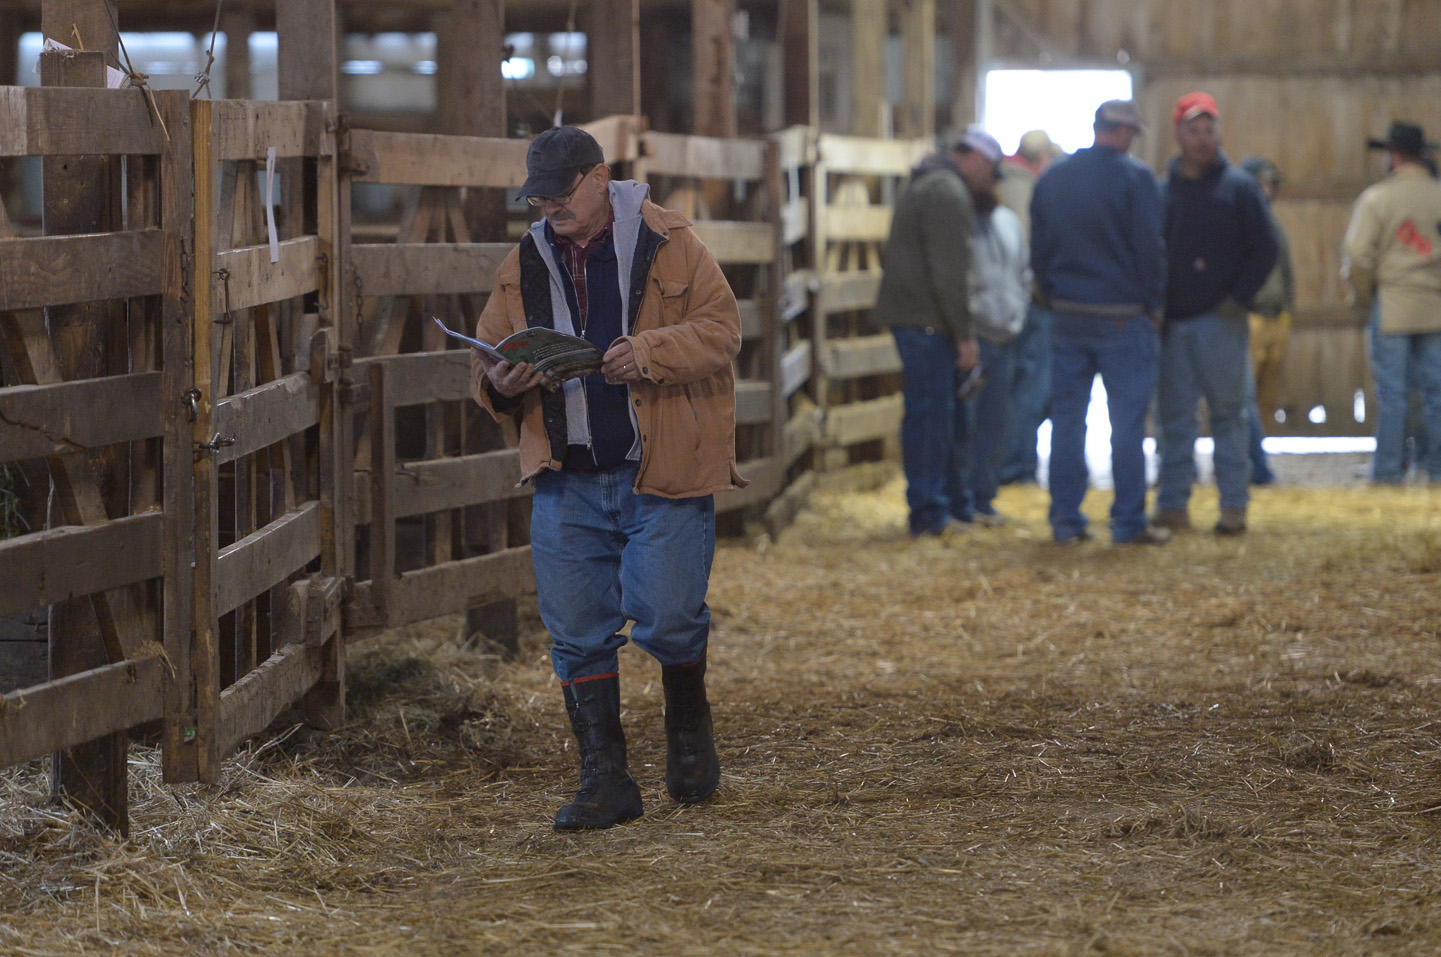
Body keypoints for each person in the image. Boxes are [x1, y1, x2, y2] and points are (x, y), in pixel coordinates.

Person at [469, 126, 744, 830]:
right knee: (576, 630)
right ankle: (605, 777)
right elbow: (486, 361)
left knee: (671, 612)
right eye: (539, 198)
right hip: (567, 473)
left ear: (599, 178)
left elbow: (721, 329)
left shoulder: (671, 242)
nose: (548, 209)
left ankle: (688, 725)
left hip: (660, 467)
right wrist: (501, 380)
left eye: (561, 195)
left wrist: (649, 350)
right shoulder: (523, 260)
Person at [1029, 99, 1169, 546]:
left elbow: (1039, 248)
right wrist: (1153, 304)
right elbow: (1150, 249)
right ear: (1126, 133)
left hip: (1069, 313)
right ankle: (1127, 523)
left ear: (1096, 128)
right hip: (1123, 318)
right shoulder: (1137, 179)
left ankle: (1065, 520)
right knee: (1127, 423)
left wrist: (1053, 295)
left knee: (1067, 421)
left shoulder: (1054, 177)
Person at [1153, 92, 1278, 536]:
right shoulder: (1163, 191)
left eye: (1210, 130)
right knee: (1174, 420)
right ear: (1178, 134)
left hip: (1220, 320)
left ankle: (1233, 507)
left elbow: (1266, 247)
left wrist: (1238, 297)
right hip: (1174, 322)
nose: (1203, 140)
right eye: (1193, 131)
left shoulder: (1239, 188)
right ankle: (1172, 506)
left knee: (1228, 415)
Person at [871, 132, 981, 536]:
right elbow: (949, 271)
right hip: (928, 322)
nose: (989, 177)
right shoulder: (947, 191)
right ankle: (929, 512)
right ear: (974, 158)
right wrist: (965, 333)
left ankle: (943, 505)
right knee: (931, 416)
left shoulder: (927, 182)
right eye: (988, 168)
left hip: (920, 319)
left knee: (932, 413)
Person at [1342, 121, 1441, 484]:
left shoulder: (1377, 199)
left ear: (1393, 155)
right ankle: (1435, 469)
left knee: (1394, 394)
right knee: (1437, 393)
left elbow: (1357, 256)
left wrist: (1364, 293)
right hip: (1435, 306)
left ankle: (1387, 472)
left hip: (1394, 304)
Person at [954, 126, 1031, 523]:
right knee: (967, 423)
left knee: (994, 421)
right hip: (976, 334)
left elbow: (1020, 272)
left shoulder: (1006, 222)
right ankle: (964, 499)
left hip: (1005, 335)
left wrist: (1016, 313)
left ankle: (983, 496)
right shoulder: (959, 216)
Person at [998, 130, 1060, 486]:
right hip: (1029, 303)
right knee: (1032, 385)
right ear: (1041, 160)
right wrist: (1041, 292)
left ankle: (1007, 463)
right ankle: (1015, 467)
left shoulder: (1001, 180)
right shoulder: (1026, 187)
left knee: (1014, 383)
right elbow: (1027, 245)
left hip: (1000, 306)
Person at [1238, 156, 1296, 486]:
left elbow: (1286, 273)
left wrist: (1287, 310)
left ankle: (1254, 462)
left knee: (1264, 399)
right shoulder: (1239, 224)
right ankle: (1254, 467)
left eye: (1272, 184)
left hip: (1276, 318)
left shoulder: (1273, 223)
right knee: (1243, 398)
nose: (1268, 190)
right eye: (1262, 183)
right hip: (1251, 318)